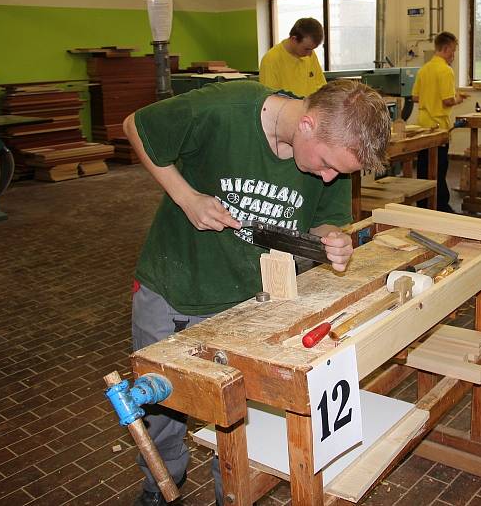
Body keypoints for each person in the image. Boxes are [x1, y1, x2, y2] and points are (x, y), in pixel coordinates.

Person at [123, 78, 390, 506]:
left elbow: (324, 220)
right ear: (306, 124)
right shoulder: (224, 109)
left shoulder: (334, 154)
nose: (328, 176)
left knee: (238, 421)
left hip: (250, 306)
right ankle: (159, 488)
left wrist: (333, 238)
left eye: (338, 171)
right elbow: (137, 125)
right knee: (161, 411)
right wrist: (187, 197)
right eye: (325, 164)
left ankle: (231, 494)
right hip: (177, 288)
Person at [411, 31, 464, 213]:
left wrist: (429, 98)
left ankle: (423, 203)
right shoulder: (445, 70)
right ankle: (440, 204)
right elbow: (447, 100)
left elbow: (415, 97)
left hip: (423, 124)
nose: (453, 55)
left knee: (424, 165)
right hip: (439, 126)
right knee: (440, 167)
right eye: (453, 51)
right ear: (447, 48)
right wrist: (459, 98)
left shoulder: (424, 69)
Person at [259, 17, 327, 97]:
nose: (310, 54)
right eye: (307, 49)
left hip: (311, 107)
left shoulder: (310, 54)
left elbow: (321, 86)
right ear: (294, 39)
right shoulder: (271, 60)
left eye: (312, 49)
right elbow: (270, 99)